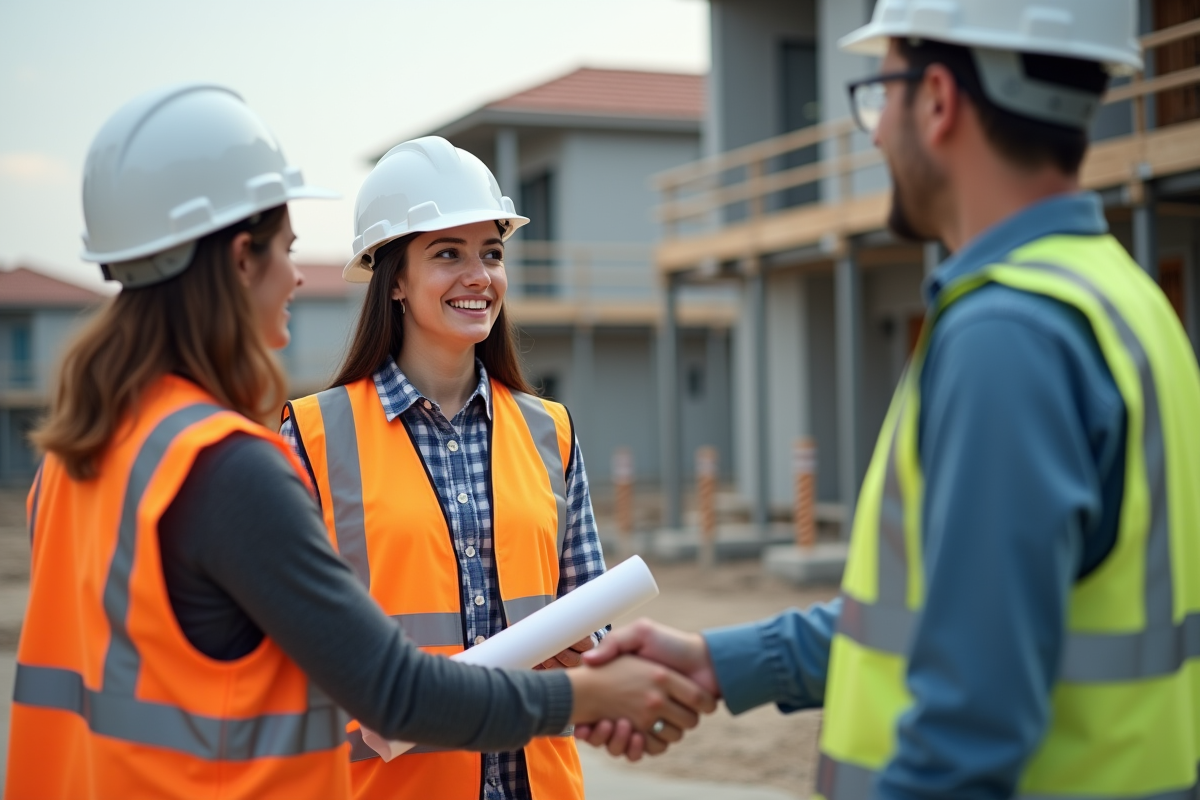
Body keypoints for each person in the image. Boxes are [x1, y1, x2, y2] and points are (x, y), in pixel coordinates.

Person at [7, 84, 715, 800]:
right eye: (286, 249)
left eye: (491, 252)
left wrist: (588, 665)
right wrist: (594, 696)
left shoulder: (72, 464)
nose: (297, 274)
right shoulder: (229, 465)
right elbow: (390, 690)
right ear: (240, 258)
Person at [580, 1, 1200, 797]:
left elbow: (967, 729)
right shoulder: (1127, 302)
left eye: (880, 93)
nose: (874, 135)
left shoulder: (1007, 334)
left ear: (937, 99)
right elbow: (941, 620)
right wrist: (720, 662)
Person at [280, 135, 609, 800]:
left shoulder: (550, 431)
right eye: (447, 253)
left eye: (492, 253)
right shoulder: (313, 436)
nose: (479, 275)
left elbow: (590, 611)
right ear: (395, 279)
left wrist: (588, 647)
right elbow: (282, 641)